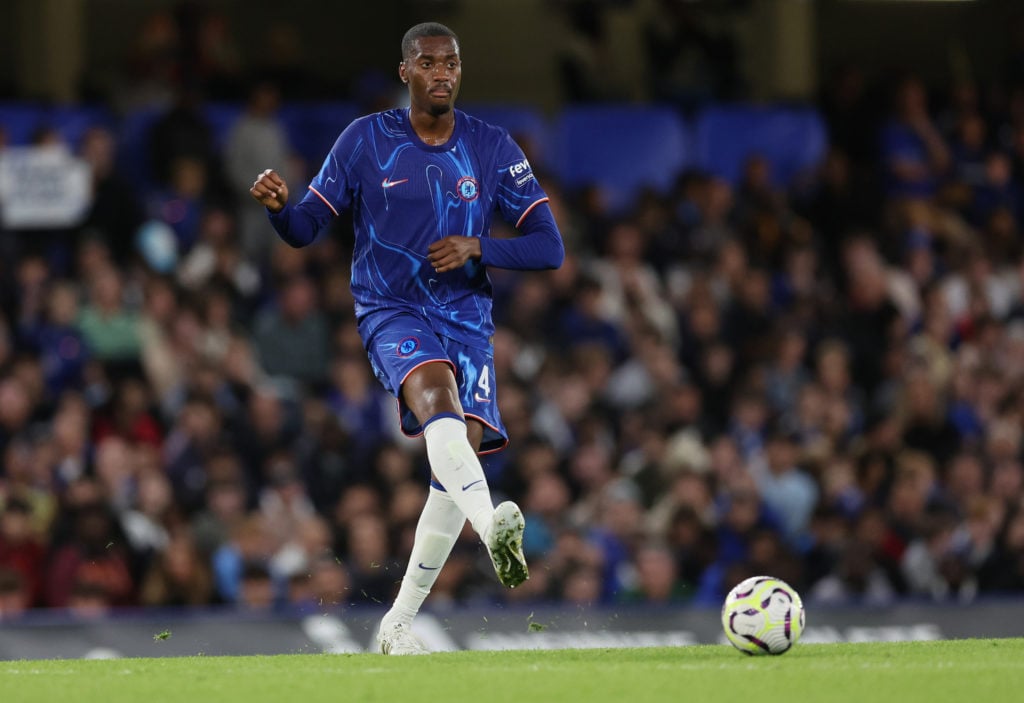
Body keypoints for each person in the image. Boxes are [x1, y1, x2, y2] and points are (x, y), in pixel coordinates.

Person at [249, 22, 564, 654]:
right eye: (428, 63)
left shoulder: (492, 146)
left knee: (452, 469)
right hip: (390, 308)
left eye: (451, 63)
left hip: (467, 319)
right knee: (436, 403)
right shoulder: (366, 139)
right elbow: (308, 227)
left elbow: (549, 246)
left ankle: (397, 622)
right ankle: (494, 523)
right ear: (406, 73)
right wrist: (282, 210)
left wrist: (482, 246)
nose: (442, 72)